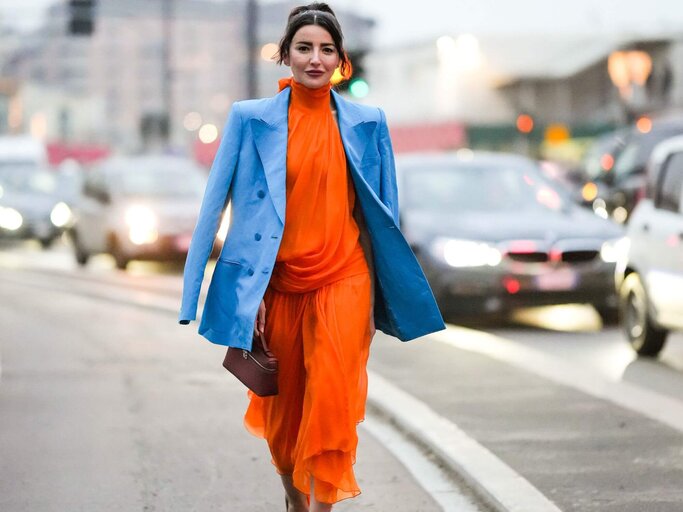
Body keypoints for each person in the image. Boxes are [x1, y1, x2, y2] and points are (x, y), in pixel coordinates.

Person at [179, 3, 444, 510]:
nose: (315, 58)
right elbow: (216, 206)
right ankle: (295, 501)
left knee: (331, 404)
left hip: (345, 278)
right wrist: (233, 293)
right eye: (304, 48)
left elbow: (383, 219)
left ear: (341, 60)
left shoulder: (369, 123)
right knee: (285, 420)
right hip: (277, 285)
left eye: (327, 49)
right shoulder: (249, 119)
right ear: (285, 55)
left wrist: (379, 301)